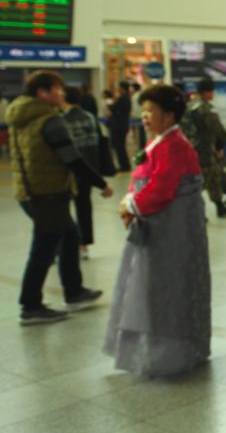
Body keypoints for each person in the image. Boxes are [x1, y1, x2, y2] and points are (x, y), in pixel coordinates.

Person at [104, 84, 211, 376]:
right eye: (145, 110)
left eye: (151, 110)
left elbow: (162, 188)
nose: (146, 116)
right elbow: (141, 179)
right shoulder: (158, 142)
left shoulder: (175, 145)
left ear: (170, 113)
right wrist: (130, 200)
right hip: (156, 228)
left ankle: (172, 354)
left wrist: (131, 205)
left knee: (168, 289)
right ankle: (151, 351)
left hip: (172, 232)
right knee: (151, 288)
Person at [6, 71, 112, 324]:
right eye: (57, 89)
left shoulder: (21, 117)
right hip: (48, 194)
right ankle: (31, 306)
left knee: (68, 237)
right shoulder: (49, 121)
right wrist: (100, 182)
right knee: (44, 248)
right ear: (42, 93)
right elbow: (72, 158)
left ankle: (74, 291)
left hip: (30, 191)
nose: (62, 94)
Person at [181, 78, 226, 217]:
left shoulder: (190, 105)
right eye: (211, 91)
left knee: (208, 179)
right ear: (206, 92)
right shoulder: (204, 108)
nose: (213, 94)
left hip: (192, 150)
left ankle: (217, 207)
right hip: (203, 150)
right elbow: (216, 128)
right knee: (206, 180)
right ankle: (201, 212)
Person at [63, 86, 103, 260]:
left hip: (70, 171)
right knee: (84, 206)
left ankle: (63, 246)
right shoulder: (90, 117)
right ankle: (84, 245)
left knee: (63, 209)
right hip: (89, 168)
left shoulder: (62, 120)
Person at [109, 81, 132, 171]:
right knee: (119, 146)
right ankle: (124, 164)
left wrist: (113, 105)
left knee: (119, 146)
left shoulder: (123, 98)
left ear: (122, 88)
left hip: (119, 126)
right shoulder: (126, 98)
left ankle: (124, 165)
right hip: (122, 124)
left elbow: (115, 109)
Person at [130, 82, 144, 150]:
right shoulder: (137, 95)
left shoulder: (136, 96)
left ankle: (141, 146)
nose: (131, 89)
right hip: (138, 116)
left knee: (140, 132)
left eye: (132, 87)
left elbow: (136, 107)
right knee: (140, 132)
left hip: (138, 116)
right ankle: (141, 145)